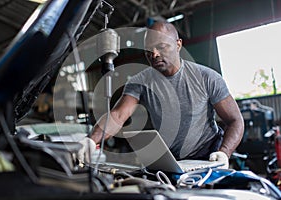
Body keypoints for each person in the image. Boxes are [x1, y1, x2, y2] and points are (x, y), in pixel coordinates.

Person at [80, 21, 244, 169]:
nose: (154, 54)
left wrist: (224, 153)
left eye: (161, 47)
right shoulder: (140, 82)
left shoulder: (207, 77)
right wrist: (90, 140)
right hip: (171, 159)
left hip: (209, 155)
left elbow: (235, 120)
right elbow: (118, 116)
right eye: (148, 50)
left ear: (178, 45)